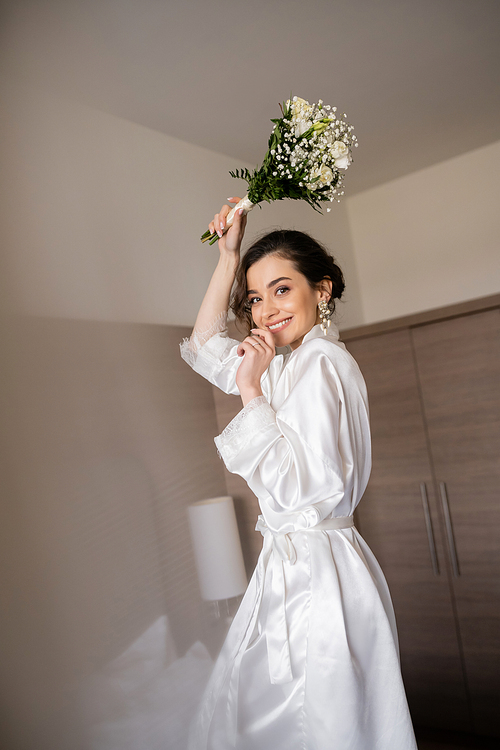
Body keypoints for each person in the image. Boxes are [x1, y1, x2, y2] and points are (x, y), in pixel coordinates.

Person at [180, 198, 418, 750]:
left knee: (317, 721)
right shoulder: (290, 361)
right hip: (297, 563)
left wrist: (250, 390)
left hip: (316, 570)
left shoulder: (320, 363)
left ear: (323, 290)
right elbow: (203, 346)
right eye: (255, 298)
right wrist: (228, 256)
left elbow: (299, 488)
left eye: (282, 289)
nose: (265, 311)